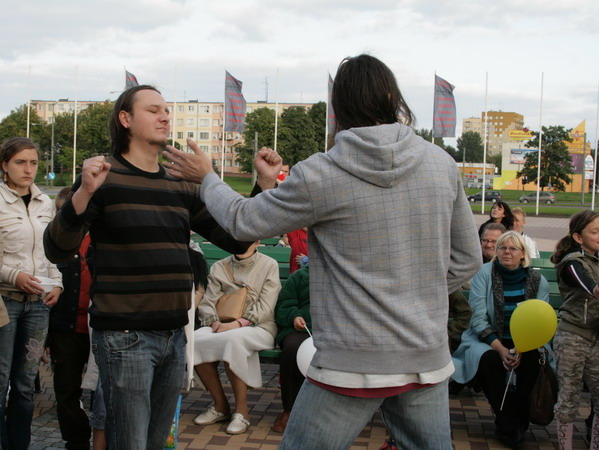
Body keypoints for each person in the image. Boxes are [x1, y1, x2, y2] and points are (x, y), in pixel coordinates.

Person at [164, 54, 481, 449]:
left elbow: (243, 222)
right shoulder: (440, 164)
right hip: (424, 356)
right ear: (390, 97)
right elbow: (467, 259)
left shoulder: (322, 172)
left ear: (339, 107)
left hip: (352, 360)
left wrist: (207, 177)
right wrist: (416, 296)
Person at [43, 85, 275, 448]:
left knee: (155, 443)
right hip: (125, 337)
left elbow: (239, 237)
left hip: (174, 335)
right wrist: (84, 193)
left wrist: (262, 184)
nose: (165, 116)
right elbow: (57, 249)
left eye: (166, 110)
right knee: (129, 443)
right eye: (153, 110)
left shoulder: (179, 183)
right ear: (126, 119)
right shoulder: (103, 176)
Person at [452, 231, 549, 447]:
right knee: (489, 361)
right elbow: (477, 318)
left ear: (523, 254)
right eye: (502, 248)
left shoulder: (537, 280)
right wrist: (501, 348)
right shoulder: (485, 274)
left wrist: (521, 349)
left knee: (532, 361)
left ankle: (516, 421)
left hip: (527, 342)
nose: (506, 252)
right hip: (488, 340)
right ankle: (508, 422)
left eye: (513, 248)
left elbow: (539, 319)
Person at [0, 137, 63, 449]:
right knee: (0, 384)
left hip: (38, 304)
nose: (28, 169)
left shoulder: (44, 202)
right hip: (5, 303)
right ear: (4, 165)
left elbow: (49, 252)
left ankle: (19, 445)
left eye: (33, 163)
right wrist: (15, 275)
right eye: (20, 162)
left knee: (25, 385)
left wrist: (58, 282)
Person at [192, 241, 281, 435]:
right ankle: (220, 406)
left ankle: (242, 412)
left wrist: (237, 324)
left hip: (260, 326)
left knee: (232, 340)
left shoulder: (269, 265)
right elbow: (208, 302)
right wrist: (214, 322)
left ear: (257, 242)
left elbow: (266, 306)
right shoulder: (220, 266)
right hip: (221, 324)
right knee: (195, 340)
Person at [46, 186, 93, 449]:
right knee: (66, 391)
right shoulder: (55, 243)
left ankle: (102, 436)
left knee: (102, 390)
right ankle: (76, 440)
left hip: (99, 325)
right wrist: (46, 338)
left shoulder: (101, 238)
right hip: (65, 327)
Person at [550, 210, 599, 449]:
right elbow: (589, 286)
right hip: (572, 337)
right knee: (569, 398)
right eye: (595, 231)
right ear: (579, 237)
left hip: (596, 339)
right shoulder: (571, 263)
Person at [272, 257, 311, 433]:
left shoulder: (342, 276)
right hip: (300, 329)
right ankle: (289, 409)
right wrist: (294, 316)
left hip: (334, 330)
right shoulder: (300, 276)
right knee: (292, 349)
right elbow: (284, 305)